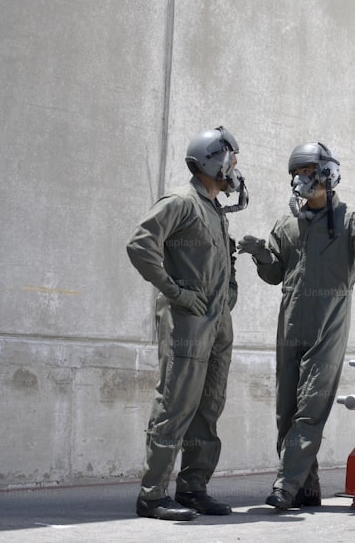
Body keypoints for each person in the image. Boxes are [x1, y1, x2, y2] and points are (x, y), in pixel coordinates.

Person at [237, 141, 355, 510]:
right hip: (290, 325)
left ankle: (285, 486)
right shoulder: (287, 223)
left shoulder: (353, 222)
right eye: (295, 175)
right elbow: (276, 274)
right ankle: (308, 489)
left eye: (306, 173)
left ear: (327, 174)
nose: (299, 182)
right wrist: (261, 254)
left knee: (310, 408)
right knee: (286, 411)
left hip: (328, 326)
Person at [126, 126, 248, 521]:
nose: (235, 168)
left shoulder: (214, 209)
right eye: (231, 160)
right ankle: (152, 496)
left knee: (207, 408)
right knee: (175, 405)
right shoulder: (181, 201)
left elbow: (221, 259)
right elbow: (140, 245)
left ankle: (194, 488)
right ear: (214, 160)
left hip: (216, 323)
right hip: (187, 322)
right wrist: (175, 292)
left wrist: (229, 290)